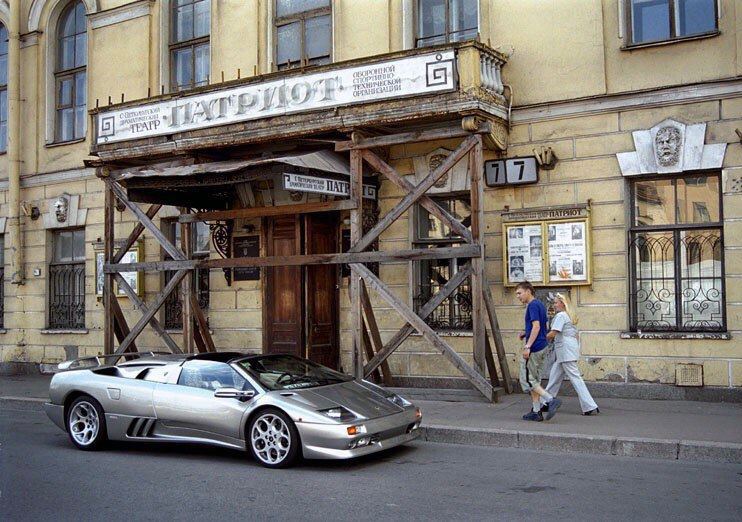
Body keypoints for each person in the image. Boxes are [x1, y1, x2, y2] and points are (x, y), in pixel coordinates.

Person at [540, 293, 599, 416]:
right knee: (554, 378)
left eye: (556, 302)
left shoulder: (561, 315)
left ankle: (590, 405)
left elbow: (553, 333)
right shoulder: (569, 315)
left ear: (562, 303)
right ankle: (546, 402)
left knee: (575, 378)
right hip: (567, 350)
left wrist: (538, 340)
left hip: (565, 350)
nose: (554, 305)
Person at [515, 281, 561, 422]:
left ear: (528, 291)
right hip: (542, 346)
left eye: (519, 293)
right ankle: (536, 412)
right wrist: (525, 332)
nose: (518, 296)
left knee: (528, 380)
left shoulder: (532, 305)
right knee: (535, 379)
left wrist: (528, 346)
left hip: (534, 348)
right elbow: (541, 327)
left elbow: (536, 326)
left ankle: (550, 399)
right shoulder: (540, 305)